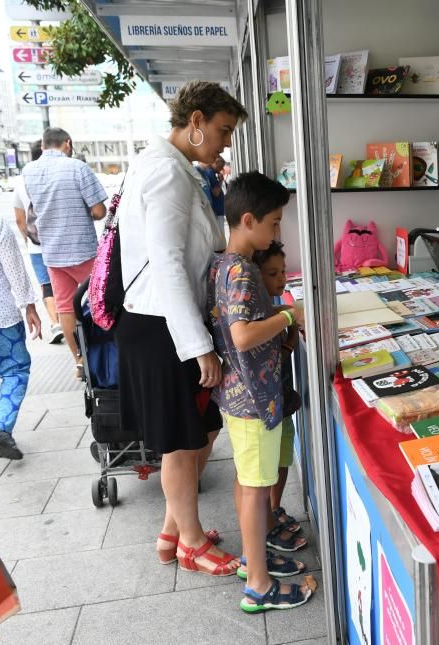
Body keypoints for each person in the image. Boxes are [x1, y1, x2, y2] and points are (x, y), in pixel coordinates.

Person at [114, 81, 246, 576]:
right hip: (160, 325)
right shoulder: (167, 173)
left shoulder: (173, 168)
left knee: (197, 432)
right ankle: (189, 543)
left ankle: (173, 531)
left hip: (163, 320)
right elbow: (168, 263)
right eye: (221, 131)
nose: (224, 143)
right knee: (181, 439)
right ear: (194, 121)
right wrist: (198, 348)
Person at [208, 172, 313, 612]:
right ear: (248, 220)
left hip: (242, 396)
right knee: (255, 486)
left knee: (248, 481)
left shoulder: (223, 263)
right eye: (273, 222)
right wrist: (289, 317)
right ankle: (258, 585)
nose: (277, 231)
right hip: (252, 399)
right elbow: (244, 335)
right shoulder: (241, 270)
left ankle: (253, 557)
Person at [22, 128, 109, 375]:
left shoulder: (29, 171)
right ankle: (104, 359)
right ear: (67, 143)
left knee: (66, 309)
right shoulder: (77, 168)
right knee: (100, 303)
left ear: (43, 144)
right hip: (83, 251)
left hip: (52, 254)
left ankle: (79, 361)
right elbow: (100, 211)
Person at [251, 241, 306, 542]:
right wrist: (287, 341)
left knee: (283, 456)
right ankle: (266, 526)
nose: (281, 279)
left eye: (283, 271)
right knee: (267, 464)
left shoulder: (271, 307)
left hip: (282, 402)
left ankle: (274, 507)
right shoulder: (257, 317)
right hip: (264, 406)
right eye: (272, 274)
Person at [0, 213, 41, 460]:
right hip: (0, 314)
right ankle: (1, 426)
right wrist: (29, 306)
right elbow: (14, 268)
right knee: (15, 370)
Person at [12, 140, 64, 345]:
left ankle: (55, 323)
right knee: (66, 282)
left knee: (46, 284)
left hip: (37, 247)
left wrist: (28, 240)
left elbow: (19, 219)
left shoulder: (21, 181)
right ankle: (74, 320)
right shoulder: (56, 176)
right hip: (60, 242)